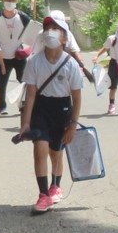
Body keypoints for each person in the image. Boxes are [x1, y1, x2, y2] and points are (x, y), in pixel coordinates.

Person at [17, 19, 85, 214]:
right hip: (41, 107)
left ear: (64, 38)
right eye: (47, 29)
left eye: (56, 29)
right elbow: (30, 94)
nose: (50, 32)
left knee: (56, 151)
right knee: (40, 147)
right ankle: (43, 195)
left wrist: (73, 124)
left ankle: (55, 185)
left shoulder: (70, 64)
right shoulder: (34, 61)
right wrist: (26, 123)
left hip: (62, 108)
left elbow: (77, 98)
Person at [0, 0, 31, 117]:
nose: (9, 1)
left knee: (24, 81)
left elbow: (32, 33)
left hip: (19, 56)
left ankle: (24, 105)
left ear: (17, 0)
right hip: (2, 57)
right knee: (1, 83)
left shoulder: (23, 17)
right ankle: (1, 107)